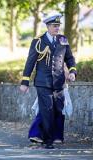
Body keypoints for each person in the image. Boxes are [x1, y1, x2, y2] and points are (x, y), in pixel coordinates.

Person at [20, 14, 77, 149]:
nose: (57, 28)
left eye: (58, 26)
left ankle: (53, 136)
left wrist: (73, 71)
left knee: (58, 110)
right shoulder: (38, 41)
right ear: (48, 26)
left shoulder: (63, 40)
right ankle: (47, 140)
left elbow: (69, 58)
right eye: (54, 26)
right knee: (47, 110)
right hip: (42, 82)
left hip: (59, 82)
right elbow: (30, 62)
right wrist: (25, 81)